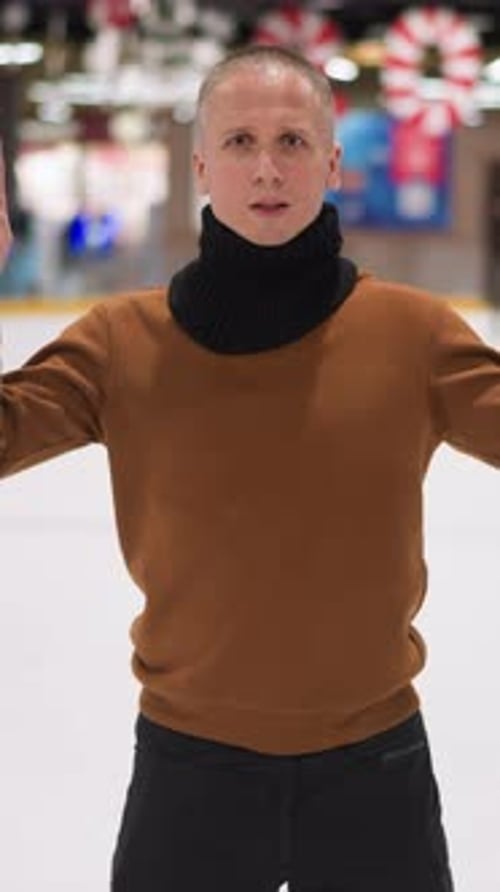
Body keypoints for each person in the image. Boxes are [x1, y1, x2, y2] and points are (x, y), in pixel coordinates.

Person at [3, 43, 498, 892]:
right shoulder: (120, 343)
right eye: (239, 143)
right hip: (188, 775)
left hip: (374, 773)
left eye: (292, 142)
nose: (267, 168)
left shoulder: (415, 336)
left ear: (332, 162)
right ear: (200, 164)